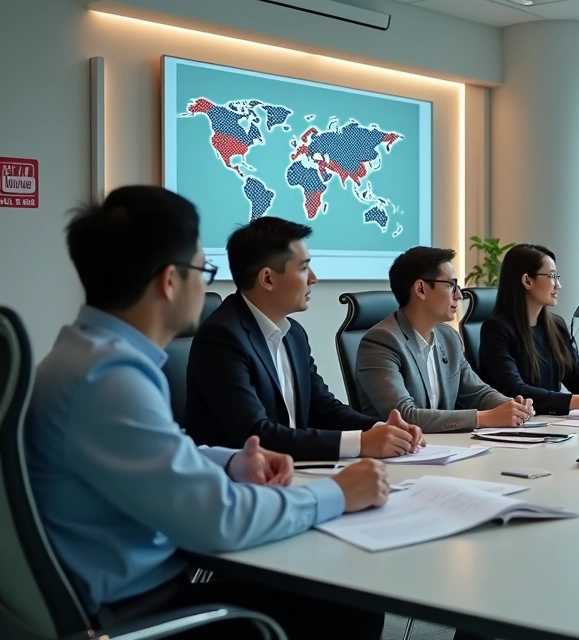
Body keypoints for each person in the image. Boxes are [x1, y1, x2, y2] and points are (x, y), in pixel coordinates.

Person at [25, 186, 390, 639]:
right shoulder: (110, 380)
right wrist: (337, 493)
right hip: (139, 614)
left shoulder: (86, 356)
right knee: (350, 607)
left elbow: (165, 452)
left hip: (141, 588)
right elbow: (222, 520)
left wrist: (231, 461)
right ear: (170, 281)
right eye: (204, 270)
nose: (207, 286)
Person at [185, 216, 424, 460]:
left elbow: (323, 408)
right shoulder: (222, 338)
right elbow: (255, 435)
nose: (313, 278)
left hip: (294, 469)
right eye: (303, 268)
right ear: (267, 279)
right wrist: (360, 443)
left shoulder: (294, 333)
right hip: (238, 477)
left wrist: (382, 428)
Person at [356, 246, 535, 432]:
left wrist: (513, 406)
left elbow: (478, 393)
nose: (459, 295)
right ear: (421, 289)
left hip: (444, 445)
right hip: (399, 448)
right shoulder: (381, 341)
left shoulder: (448, 337)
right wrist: (484, 418)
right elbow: (405, 416)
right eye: (451, 285)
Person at [478, 243, 579, 415]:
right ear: (527, 281)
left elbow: (577, 374)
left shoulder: (556, 325)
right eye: (552, 276)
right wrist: (578, 402)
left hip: (551, 422)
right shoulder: (495, 330)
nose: (558, 285)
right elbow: (514, 390)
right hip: (519, 425)